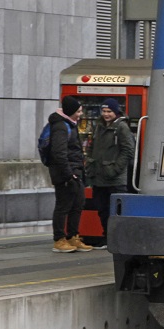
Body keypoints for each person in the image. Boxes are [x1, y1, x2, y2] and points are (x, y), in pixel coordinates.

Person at [87, 98, 135, 249]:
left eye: (109, 111)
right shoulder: (98, 126)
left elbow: (128, 150)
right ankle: (106, 236)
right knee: (102, 208)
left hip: (115, 178)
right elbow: (92, 146)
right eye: (104, 111)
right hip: (99, 175)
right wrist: (90, 161)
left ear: (115, 112)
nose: (106, 114)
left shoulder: (121, 127)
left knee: (116, 210)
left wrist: (115, 169)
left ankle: (116, 238)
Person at [49, 95, 93, 252]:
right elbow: (59, 153)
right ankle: (59, 239)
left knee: (78, 204)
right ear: (70, 111)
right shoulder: (61, 126)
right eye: (79, 111)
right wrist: (69, 174)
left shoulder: (70, 124)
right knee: (63, 206)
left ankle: (73, 236)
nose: (81, 114)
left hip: (75, 170)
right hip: (65, 174)